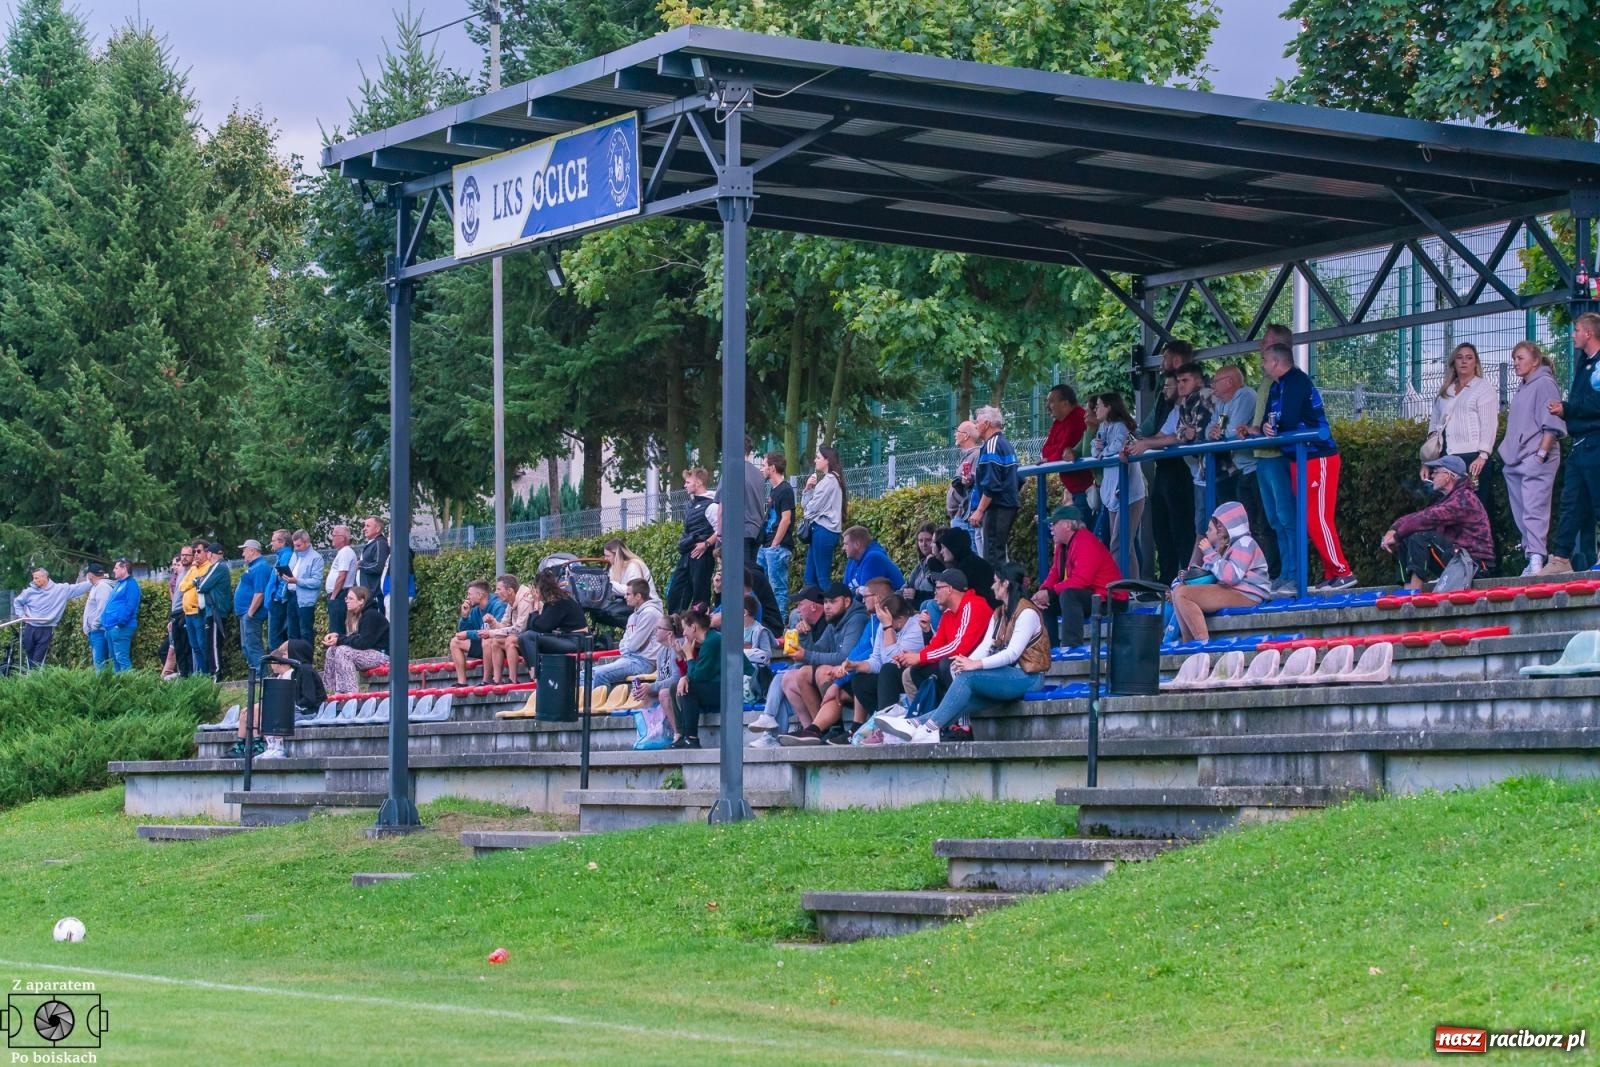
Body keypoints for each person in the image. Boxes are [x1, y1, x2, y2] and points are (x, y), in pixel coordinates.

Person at [875, 563, 1050, 745]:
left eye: (995, 582)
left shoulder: (1027, 612)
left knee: (967, 678)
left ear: (1006, 584)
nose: (991, 586)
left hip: (1029, 678)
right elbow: (985, 647)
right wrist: (964, 663)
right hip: (1006, 676)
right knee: (963, 698)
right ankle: (914, 723)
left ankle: (929, 728)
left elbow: (1012, 654)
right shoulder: (999, 613)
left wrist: (975, 665)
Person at [1261, 341, 1356, 590]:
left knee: (1318, 518)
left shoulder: (1297, 381)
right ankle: (1331, 573)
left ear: (1275, 362)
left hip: (1318, 457)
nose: (1262, 365)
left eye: (1264, 360)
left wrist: (1276, 427)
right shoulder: (1275, 387)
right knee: (1307, 518)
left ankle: (1343, 571)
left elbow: (1290, 418)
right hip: (1297, 459)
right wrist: (1265, 427)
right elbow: (1269, 420)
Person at [1127, 361, 1211, 577]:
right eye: (1177, 383)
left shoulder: (1204, 399)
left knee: (1196, 528)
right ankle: (1179, 577)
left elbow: (1183, 436)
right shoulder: (1179, 407)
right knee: (1177, 529)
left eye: (1180, 382)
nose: (1167, 389)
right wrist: (1139, 442)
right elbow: (1167, 435)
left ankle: (1194, 574)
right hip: (1196, 474)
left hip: (1199, 474)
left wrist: (1146, 444)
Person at [1499, 341, 1565, 576]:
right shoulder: (1523, 387)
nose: (1516, 363)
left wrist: (1541, 454)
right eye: (1514, 358)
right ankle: (1531, 555)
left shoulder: (1544, 383)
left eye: (1520, 358)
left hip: (1536, 455)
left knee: (1534, 508)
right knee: (1521, 510)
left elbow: (1552, 423)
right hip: (1516, 460)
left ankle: (1537, 557)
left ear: (1535, 361)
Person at [1542, 312, 1600, 574]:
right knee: (1571, 502)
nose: (1573, 334)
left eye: (1576, 329)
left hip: (1596, 441)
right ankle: (1560, 558)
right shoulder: (1584, 362)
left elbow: (1597, 403)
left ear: (1588, 333)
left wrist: (1568, 408)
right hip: (1580, 444)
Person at [1238, 325, 1295, 591]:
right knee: (1273, 519)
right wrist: (1253, 429)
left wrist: (1264, 430)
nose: (1260, 345)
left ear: (1278, 351)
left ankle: (1294, 574)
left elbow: (1289, 420)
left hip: (1276, 457)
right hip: (1261, 455)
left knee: (1285, 517)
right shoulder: (1266, 382)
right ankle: (1284, 573)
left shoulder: (1287, 382)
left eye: (1267, 343)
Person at [1381, 456, 1494, 590]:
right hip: (1460, 560)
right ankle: (1407, 590)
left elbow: (1426, 519)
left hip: (1475, 566)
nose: (1432, 475)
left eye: (1436, 471)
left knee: (1420, 536)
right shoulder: (1453, 497)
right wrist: (1394, 529)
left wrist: (1397, 534)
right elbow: (1421, 515)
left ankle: (1414, 591)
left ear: (1448, 476)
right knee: (1407, 536)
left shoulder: (1463, 499)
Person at [778, 581, 869, 741]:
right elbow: (819, 649)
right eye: (825, 602)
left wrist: (806, 654)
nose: (827, 606)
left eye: (832, 602)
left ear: (847, 601)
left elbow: (845, 657)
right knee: (802, 673)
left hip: (856, 678)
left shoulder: (857, 619)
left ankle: (835, 727)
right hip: (841, 676)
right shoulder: (834, 621)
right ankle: (818, 729)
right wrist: (804, 637)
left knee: (822, 671)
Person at [1169, 503, 1272, 642]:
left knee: (1183, 594)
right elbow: (1210, 575)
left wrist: (1210, 554)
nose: (1215, 529)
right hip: (1232, 590)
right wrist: (1186, 578)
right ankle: (1188, 643)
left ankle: (1202, 644)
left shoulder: (1245, 543)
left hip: (1248, 594)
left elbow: (1232, 577)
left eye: (1219, 525)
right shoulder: (1225, 547)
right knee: (1179, 590)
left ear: (1232, 524)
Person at [892, 568, 993, 706]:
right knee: (917, 671)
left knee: (947, 664)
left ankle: (958, 720)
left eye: (938, 587)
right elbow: (936, 646)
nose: (935, 592)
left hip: (981, 667)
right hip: (961, 666)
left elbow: (959, 647)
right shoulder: (948, 614)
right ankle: (931, 719)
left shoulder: (973, 604)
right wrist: (912, 658)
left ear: (950, 589)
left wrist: (920, 657)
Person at [1427, 342, 1501, 515]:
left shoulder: (1483, 388)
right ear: (1454, 362)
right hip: (1447, 457)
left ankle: (1479, 542)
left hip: (1473, 458)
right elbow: (1434, 427)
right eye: (1459, 357)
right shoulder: (1447, 390)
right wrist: (1427, 460)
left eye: (1469, 358)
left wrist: (1483, 455)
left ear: (1476, 363)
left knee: (1474, 509)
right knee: (1447, 510)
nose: (1464, 362)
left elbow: (1489, 424)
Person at [1032, 506, 1121, 647]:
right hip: (1093, 595)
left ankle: (1071, 647)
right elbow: (1055, 573)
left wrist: (1051, 592)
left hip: (1110, 598)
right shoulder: (1062, 546)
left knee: (1069, 595)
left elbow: (1082, 580)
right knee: (1046, 604)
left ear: (1067, 525)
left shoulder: (1085, 542)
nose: (1051, 528)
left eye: (1054, 523)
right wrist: (1043, 592)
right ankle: (1050, 648)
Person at [228, 639, 325, 760]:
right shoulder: (297, 672)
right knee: (262, 709)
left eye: (285, 654)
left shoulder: (305, 670)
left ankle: (278, 747)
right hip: (296, 708)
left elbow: (309, 699)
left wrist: (286, 705)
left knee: (274, 711)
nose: (282, 657)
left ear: (296, 652)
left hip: (308, 711)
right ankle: (268, 746)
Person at [1090, 392, 1145, 578]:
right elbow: (1095, 447)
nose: (1095, 409)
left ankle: (1121, 587)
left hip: (1128, 493)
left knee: (1119, 543)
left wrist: (1102, 451)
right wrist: (1099, 449)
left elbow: (1116, 447)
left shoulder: (1120, 427)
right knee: (1124, 545)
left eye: (1098, 405)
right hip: (1113, 493)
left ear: (1109, 407)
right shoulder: (1103, 427)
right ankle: (1132, 586)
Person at [969, 405, 1020, 566]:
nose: (975, 426)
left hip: (997, 507)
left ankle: (999, 590)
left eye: (977, 422)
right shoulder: (1006, 444)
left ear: (987, 423)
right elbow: (1018, 479)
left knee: (992, 557)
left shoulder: (991, 445)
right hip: (1008, 505)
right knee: (999, 554)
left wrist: (979, 510)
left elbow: (992, 484)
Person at [590, 579, 664, 690]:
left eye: (628, 594)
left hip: (644, 662)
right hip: (628, 658)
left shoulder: (650, 614)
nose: (625, 597)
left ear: (638, 596)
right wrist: (628, 647)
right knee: (584, 674)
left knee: (601, 674)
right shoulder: (633, 616)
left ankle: (601, 707)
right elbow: (623, 645)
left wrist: (629, 646)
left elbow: (633, 645)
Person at [13, 567, 92, 669]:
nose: (34, 580)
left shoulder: (60, 589)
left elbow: (77, 588)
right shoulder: (29, 592)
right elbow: (17, 602)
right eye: (34, 578)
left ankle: (34, 678)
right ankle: (31, 678)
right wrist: (22, 615)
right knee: (29, 656)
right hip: (30, 626)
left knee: (38, 659)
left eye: (37, 578)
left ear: (44, 577)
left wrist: (93, 581)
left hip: (46, 628)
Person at [514, 569, 589, 672]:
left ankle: (535, 674)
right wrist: (534, 608)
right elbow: (533, 627)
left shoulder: (558, 602)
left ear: (541, 589)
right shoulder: (553, 602)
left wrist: (535, 605)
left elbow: (541, 627)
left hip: (576, 641)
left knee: (528, 637)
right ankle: (535, 670)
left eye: (535, 589)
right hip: (567, 639)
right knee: (524, 637)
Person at [322, 586, 390, 694]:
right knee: (332, 650)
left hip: (383, 656)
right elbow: (355, 638)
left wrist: (339, 639)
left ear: (361, 601)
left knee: (343, 651)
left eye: (350, 598)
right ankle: (330, 691)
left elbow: (363, 643)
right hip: (368, 653)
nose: (347, 601)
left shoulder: (371, 615)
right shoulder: (359, 615)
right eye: (346, 598)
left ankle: (351, 693)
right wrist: (337, 637)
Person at [667, 467, 717, 612]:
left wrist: (706, 544)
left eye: (688, 482)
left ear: (699, 482)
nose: (685, 485)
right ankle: (676, 623)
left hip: (702, 555)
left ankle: (700, 626)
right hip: (687, 553)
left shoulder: (712, 505)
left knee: (700, 594)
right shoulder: (689, 505)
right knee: (676, 592)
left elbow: (721, 530)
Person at [1206, 364, 1257, 509]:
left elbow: (1232, 432)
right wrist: (1213, 433)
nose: (1211, 385)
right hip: (1242, 469)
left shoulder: (1245, 394)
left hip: (1255, 468)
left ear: (1229, 382)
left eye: (1215, 381)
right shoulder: (1222, 402)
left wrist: (1218, 432)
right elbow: (1209, 430)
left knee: (1260, 522)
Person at [1041, 384, 1093, 516]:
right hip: (1076, 489)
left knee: (1087, 532)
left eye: (1052, 401)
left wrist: (1049, 458)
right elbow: (1046, 450)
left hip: (1086, 489)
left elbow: (1062, 453)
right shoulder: (1059, 421)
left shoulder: (1078, 419)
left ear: (1065, 403)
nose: (1048, 406)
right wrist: (1050, 456)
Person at [672, 609, 719, 749]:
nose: (684, 633)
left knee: (689, 688)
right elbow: (696, 674)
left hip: (731, 690)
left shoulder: (712, 641)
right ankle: (682, 734)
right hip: (717, 686)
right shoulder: (707, 641)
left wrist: (689, 656)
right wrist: (685, 675)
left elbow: (697, 677)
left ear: (693, 627)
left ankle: (691, 737)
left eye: (685, 628)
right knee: (675, 688)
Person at [800, 445, 847, 587]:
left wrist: (809, 500)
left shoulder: (829, 481)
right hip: (823, 530)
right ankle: (817, 607)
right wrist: (808, 488)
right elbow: (807, 507)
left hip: (823, 530)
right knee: (811, 577)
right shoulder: (832, 480)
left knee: (821, 578)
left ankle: (831, 607)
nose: (815, 460)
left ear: (827, 460)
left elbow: (809, 510)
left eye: (818, 457)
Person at [757, 451, 795, 619]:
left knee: (777, 587)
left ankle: (779, 623)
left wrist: (775, 544)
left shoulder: (785, 490)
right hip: (767, 546)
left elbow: (786, 519)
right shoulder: (773, 491)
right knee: (764, 586)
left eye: (764, 466)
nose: (762, 470)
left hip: (776, 547)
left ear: (772, 468)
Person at [480, 575, 535, 683]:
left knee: (510, 640)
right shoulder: (511, 602)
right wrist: (492, 622)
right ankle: (497, 680)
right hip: (522, 637)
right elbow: (504, 625)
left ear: (509, 590)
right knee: (495, 641)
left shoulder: (525, 599)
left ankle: (513, 679)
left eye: (499, 589)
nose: (495, 592)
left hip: (533, 637)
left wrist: (491, 633)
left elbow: (520, 629)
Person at [449, 580, 505, 685]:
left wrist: (469, 634)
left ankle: (486, 680)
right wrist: (465, 617)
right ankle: (462, 683)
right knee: (455, 642)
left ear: (480, 595)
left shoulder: (498, 605)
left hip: (498, 646)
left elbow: (498, 632)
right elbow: (465, 631)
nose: (468, 597)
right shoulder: (475, 610)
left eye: (470, 594)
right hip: (483, 644)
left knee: (487, 640)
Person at [594, 539, 655, 628]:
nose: (605, 559)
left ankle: (633, 628)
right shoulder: (613, 567)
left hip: (645, 603)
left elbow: (634, 591)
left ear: (617, 555)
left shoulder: (633, 566)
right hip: (629, 601)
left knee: (609, 612)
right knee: (599, 612)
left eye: (608, 556)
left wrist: (609, 584)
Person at [234, 539, 273, 674]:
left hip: (251, 614)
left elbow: (260, 593)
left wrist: (250, 613)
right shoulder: (254, 566)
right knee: (247, 645)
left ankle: (261, 675)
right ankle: (255, 674)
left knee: (253, 645)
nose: (243, 553)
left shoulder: (260, 567)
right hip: (246, 613)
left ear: (252, 550)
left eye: (244, 550)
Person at [196, 542, 233, 682]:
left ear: (210, 554)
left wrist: (199, 582)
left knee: (213, 644)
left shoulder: (218, 566)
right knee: (210, 644)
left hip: (216, 611)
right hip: (212, 611)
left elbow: (202, 585)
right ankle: (214, 673)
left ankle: (216, 674)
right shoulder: (219, 567)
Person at [934, 526, 996, 610]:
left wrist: (932, 563)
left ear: (954, 547)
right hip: (980, 606)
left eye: (944, 547)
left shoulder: (967, 566)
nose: (941, 551)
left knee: (933, 605)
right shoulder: (969, 561)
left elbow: (950, 594)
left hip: (982, 609)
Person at [176, 542, 214, 678]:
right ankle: (203, 674)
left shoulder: (208, 567)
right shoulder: (193, 568)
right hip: (188, 613)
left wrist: (192, 583)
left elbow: (202, 584)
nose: (196, 554)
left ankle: (208, 673)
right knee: (195, 646)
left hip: (198, 612)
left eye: (198, 551)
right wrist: (192, 582)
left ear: (206, 552)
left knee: (202, 645)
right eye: (195, 551)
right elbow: (182, 586)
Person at [158, 544, 195, 679]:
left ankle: (189, 675)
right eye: (182, 555)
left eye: (187, 555)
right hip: (175, 615)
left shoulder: (192, 571)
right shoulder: (180, 573)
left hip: (184, 613)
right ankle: (183, 675)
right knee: (178, 648)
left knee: (186, 648)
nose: (183, 558)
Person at [282, 529, 324, 643]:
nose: (296, 548)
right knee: (292, 632)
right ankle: (293, 660)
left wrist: (297, 581)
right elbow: (290, 572)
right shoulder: (295, 555)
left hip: (305, 601)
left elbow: (316, 582)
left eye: (298, 545)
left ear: (307, 542)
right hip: (291, 596)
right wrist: (282, 574)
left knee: (305, 632)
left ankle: (305, 660)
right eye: (294, 545)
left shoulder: (316, 558)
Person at [840, 526, 905, 599]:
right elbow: (844, 592)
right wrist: (855, 591)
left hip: (891, 607)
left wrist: (853, 593)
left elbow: (865, 597)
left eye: (846, 544)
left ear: (857, 545)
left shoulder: (873, 558)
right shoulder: (852, 560)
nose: (843, 548)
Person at [100, 558, 141, 673]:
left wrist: (121, 623)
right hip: (111, 627)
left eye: (116, 568)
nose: (114, 570)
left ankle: (128, 686)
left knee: (121, 658)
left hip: (121, 627)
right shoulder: (119, 584)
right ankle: (118, 687)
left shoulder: (131, 584)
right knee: (114, 660)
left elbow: (130, 605)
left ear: (124, 569)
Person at [948, 421, 983, 555]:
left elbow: (973, 486)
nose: (955, 434)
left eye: (958, 431)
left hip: (965, 519)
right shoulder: (969, 456)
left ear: (966, 435)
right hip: (961, 517)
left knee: (971, 559)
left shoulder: (976, 455)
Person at [324, 525, 359, 636]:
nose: (332, 538)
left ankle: (337, 652)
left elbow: (342, 575)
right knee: (336, 627)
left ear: (342, 538)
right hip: (339, 594)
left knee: (336, 630)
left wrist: (334, 596)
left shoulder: (345, 552)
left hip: (340, 595)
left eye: (334, 535)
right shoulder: (343, 552)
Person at [80, 563, 112, 670]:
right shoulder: (97, 586)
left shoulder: (102, 587)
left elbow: (103, 609)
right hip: (96, 630)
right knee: (99, 661)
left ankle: (101, 685)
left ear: (90, 575)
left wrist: (95, 625)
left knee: (100, 662)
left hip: (99, 631)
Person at [264, 529, 292, 649]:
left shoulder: (286, 556)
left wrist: (277, 598)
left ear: (282, 542)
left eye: (273, 541)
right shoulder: (281, 555)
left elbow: (283, 578)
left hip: (278, 602)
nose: (271, 543)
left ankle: (278, 665)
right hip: (276, 601)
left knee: (275, 639)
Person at [902, 522, 942, 605]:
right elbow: (907, 586)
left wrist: (917, 595)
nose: (924, 544)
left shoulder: (940, 565)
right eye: (920, 541)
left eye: (928, 540)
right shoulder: (919, 566)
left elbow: (940, 594)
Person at [357, 516, 390, 605]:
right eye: (364, 526)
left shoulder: (380, 543)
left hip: (374, 595)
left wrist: (360, 564)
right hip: (367, 595)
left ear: (378, 529)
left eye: (368, 526)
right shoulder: (373, 543)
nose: (364, 529)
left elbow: (379, 566)